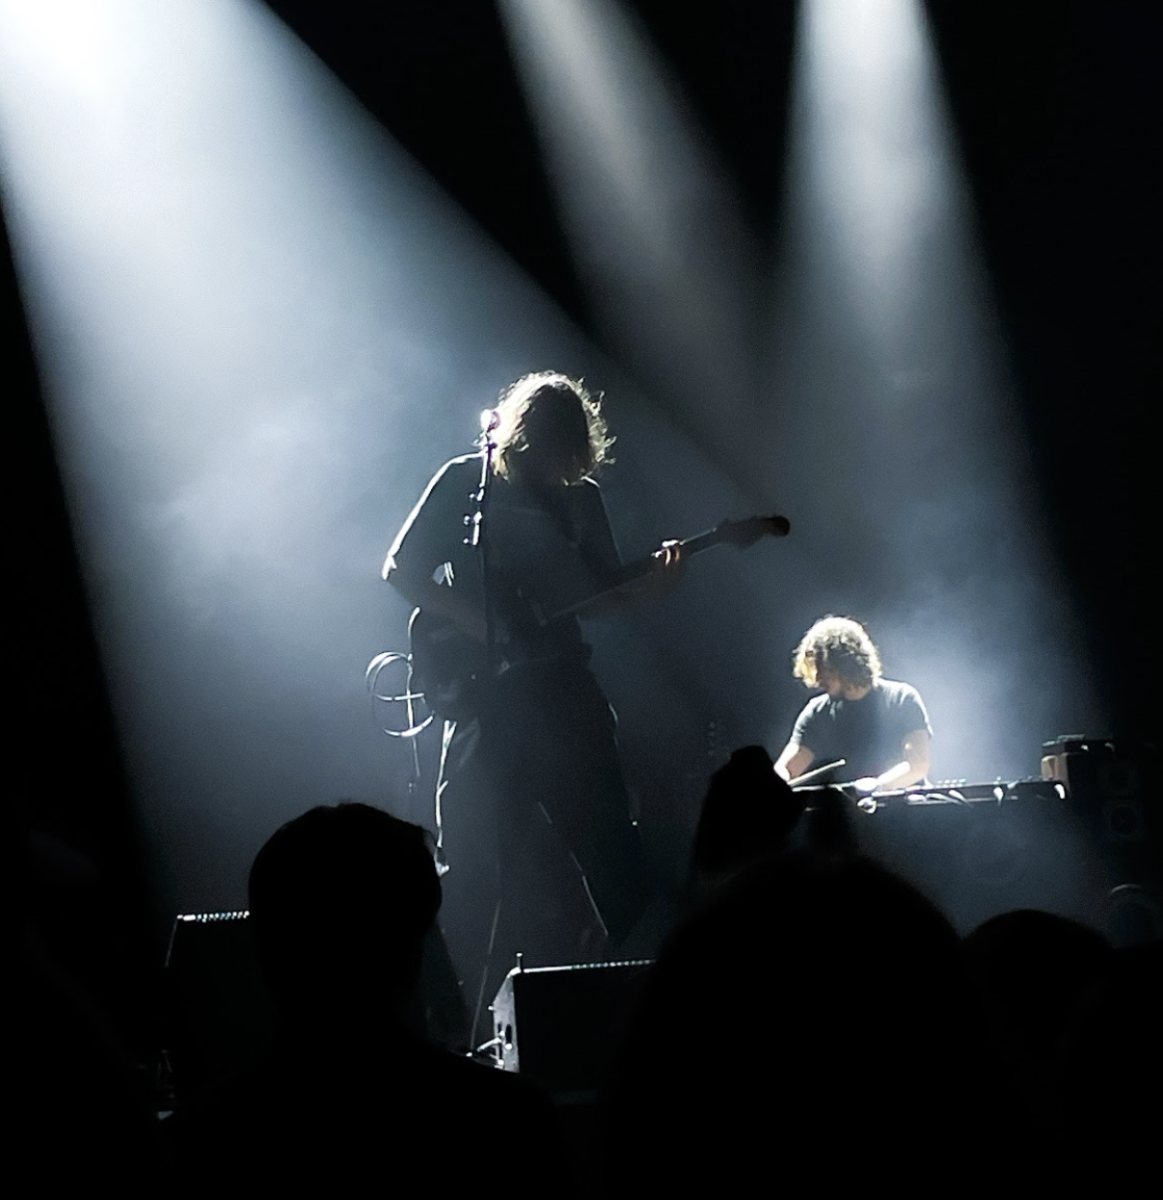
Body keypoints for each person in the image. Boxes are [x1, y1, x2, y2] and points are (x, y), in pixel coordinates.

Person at [383, 371, 678, 1002]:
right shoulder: (467, 481)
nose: (559, 469)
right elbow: (401, 569)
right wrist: (476, 621)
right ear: (522, 437)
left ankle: (651, 1012)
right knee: (464, 871)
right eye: (549, 452)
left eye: (570, 458)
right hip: (484, 705)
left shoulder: (582, 498)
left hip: (564, 696)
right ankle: (440, 1022)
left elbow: (597, 597)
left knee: (612, 854)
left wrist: (647, 587)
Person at [774, 616, 931, 792]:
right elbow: (787, 768)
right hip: (849, 815)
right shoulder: (817, 711)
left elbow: (917, 766)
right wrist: (774, 783)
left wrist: (876, 787)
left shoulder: (902, 698)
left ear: (844, 663)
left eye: (822, 668)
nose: (817, 679)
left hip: (903, 812)